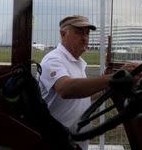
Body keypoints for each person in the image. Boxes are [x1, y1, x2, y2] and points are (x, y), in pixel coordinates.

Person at [38, 15, 136, 150]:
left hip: (73, 141)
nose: (85, 38)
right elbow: (66, 89)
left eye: (87, 33)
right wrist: (114, 78)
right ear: (63, 34)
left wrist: (108, 87)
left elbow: (82, 96)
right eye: (79, 33)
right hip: (55, 141)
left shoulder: (78, 63)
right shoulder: (53, 60)